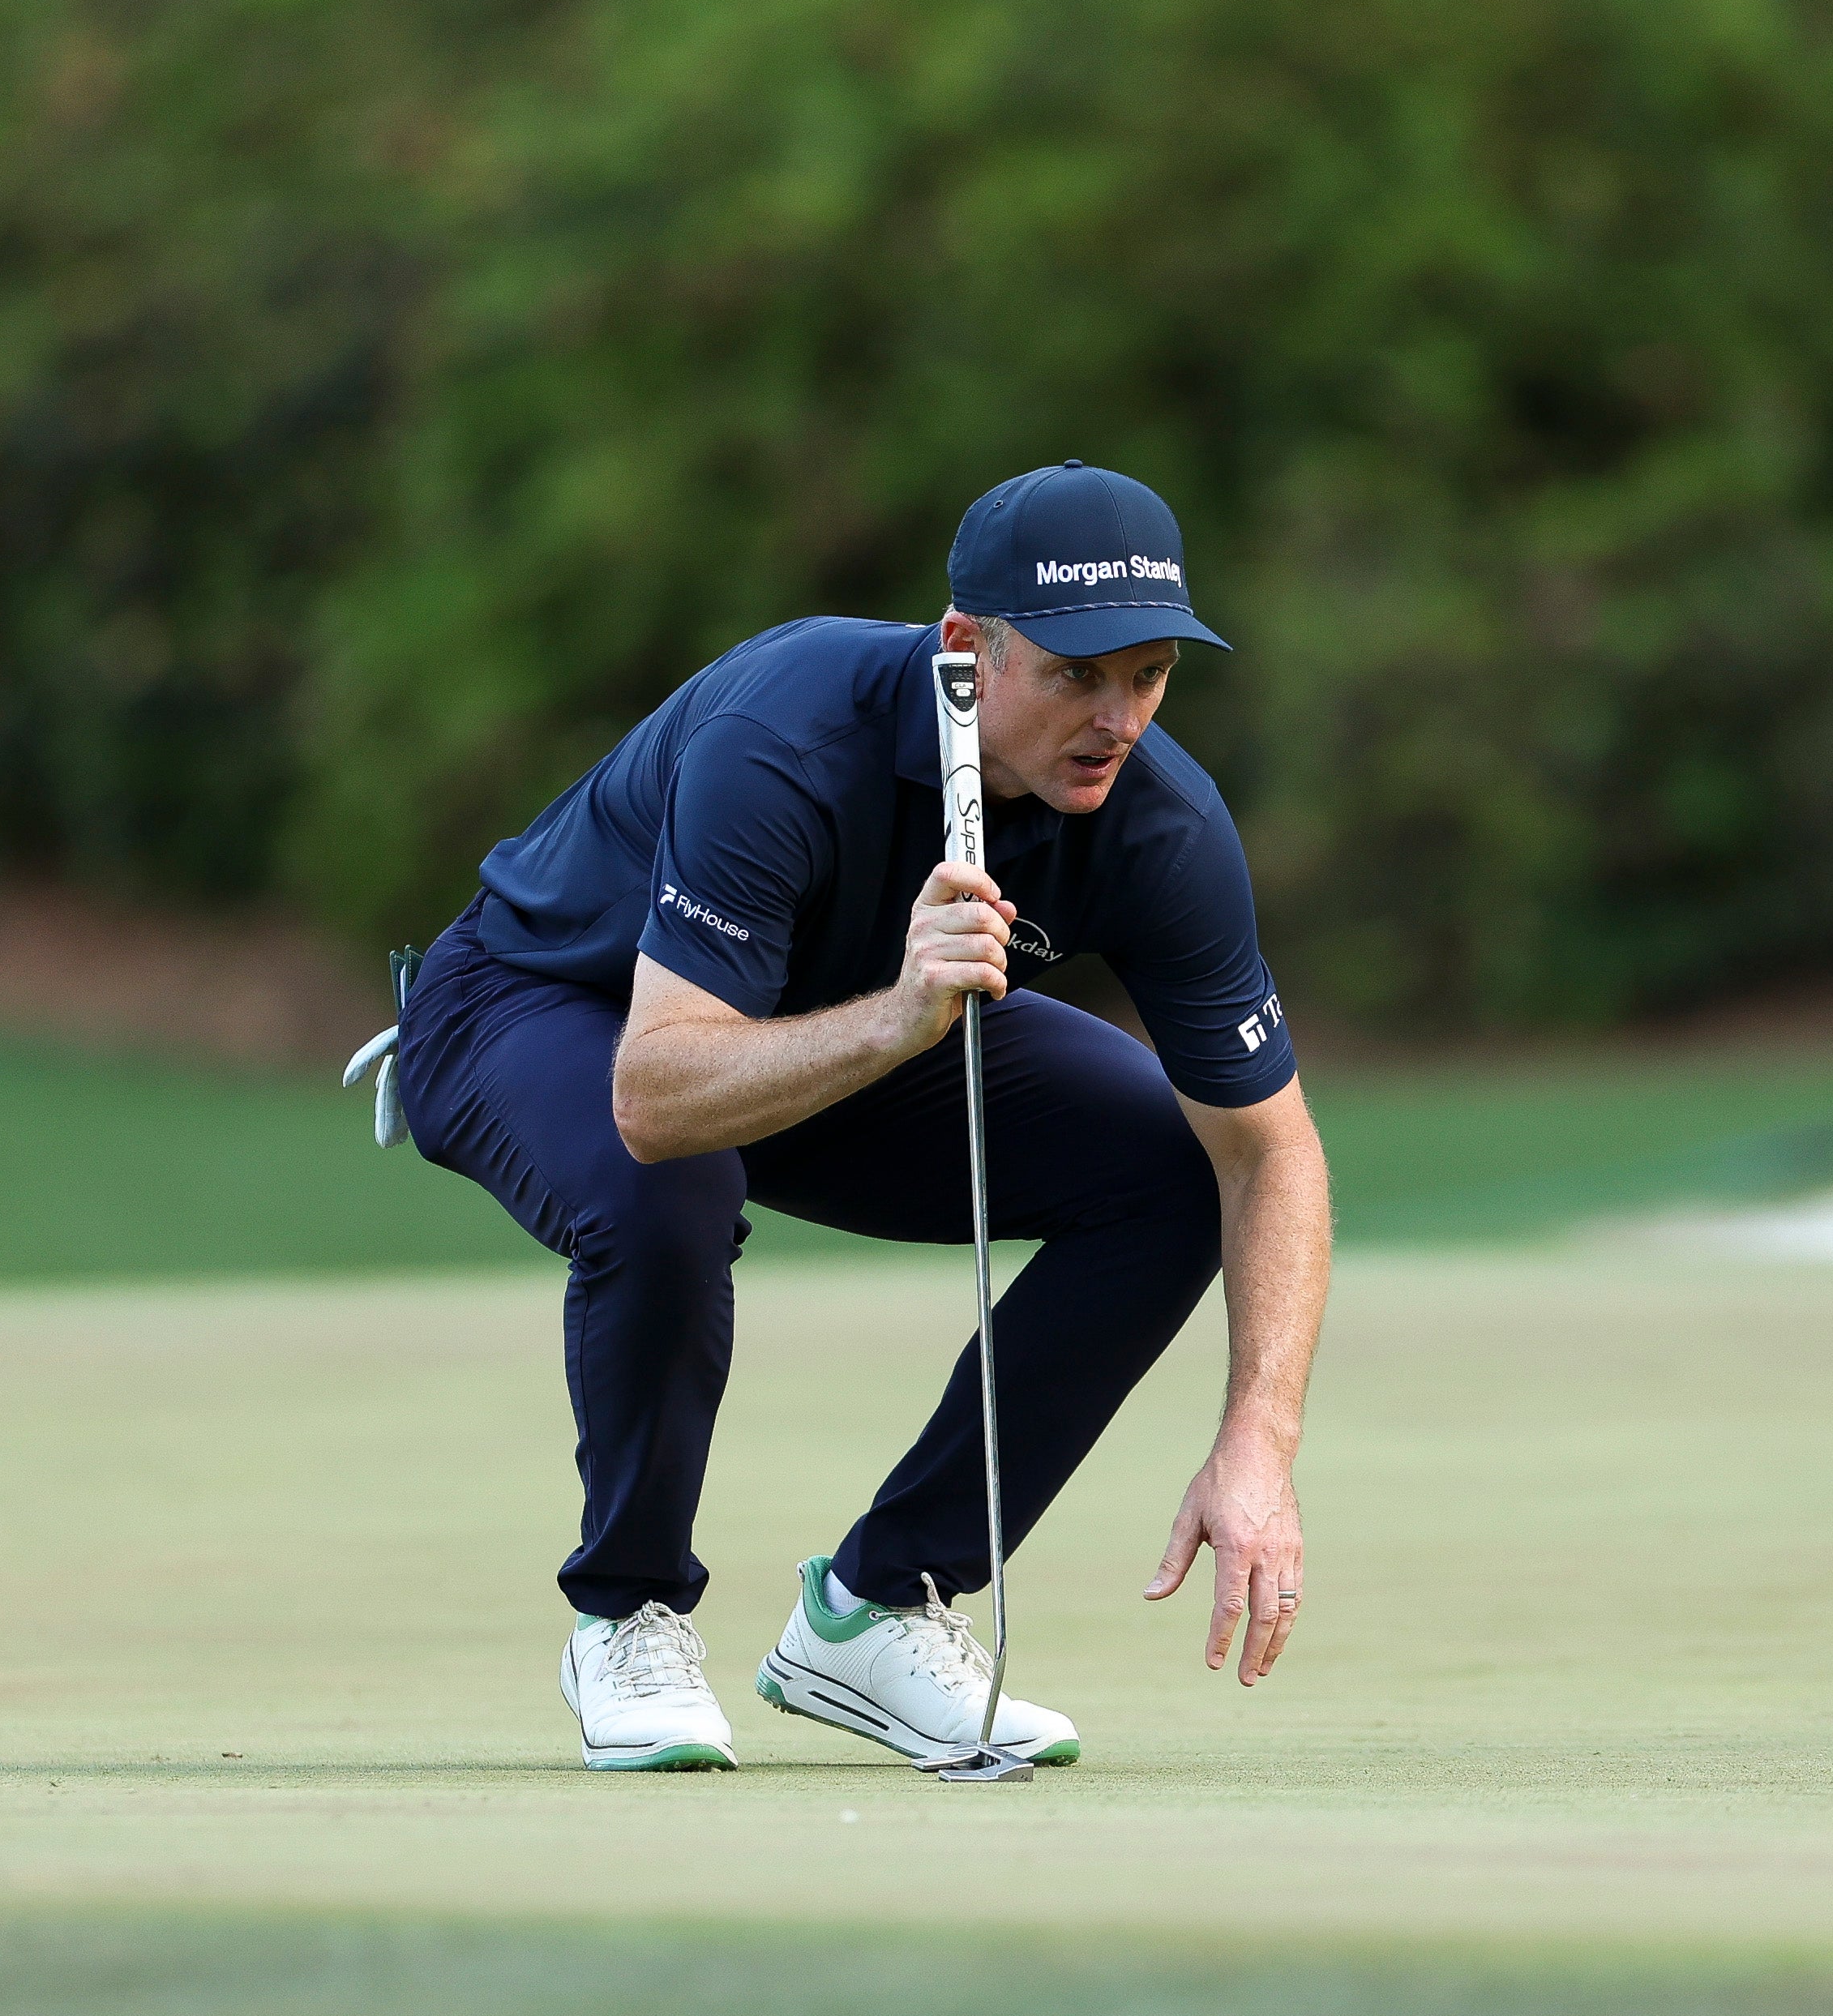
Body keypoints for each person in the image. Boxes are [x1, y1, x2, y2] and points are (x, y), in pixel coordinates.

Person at [392, 461, 1330, 1770]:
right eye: (1077, 674)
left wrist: (1258, 1445)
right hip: (549, 1008)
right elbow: (655, 1098)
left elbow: (1269, 1153)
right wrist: (896, 1020)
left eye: (1150, 674)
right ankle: (629, 1613)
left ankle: (877, 1610)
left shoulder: (1160, 827)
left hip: (843, 1029)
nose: (1118, 719)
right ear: (968, 649)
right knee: (671, 1183)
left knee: (1173, 1170)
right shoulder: (787, 736)